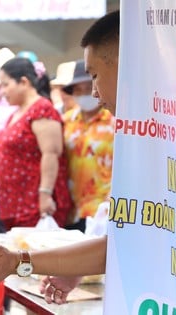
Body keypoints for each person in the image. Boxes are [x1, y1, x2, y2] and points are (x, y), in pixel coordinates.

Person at [0, 9, 120, 305]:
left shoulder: (134, 131)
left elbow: (50, 155)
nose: (94, 92)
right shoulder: (81, 119)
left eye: (95, 76)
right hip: (90, 216)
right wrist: (67, 269)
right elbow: (118, 246)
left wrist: (44, 193)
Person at [0, 57, 72, 229]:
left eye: (6, 85)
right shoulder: (16, 114)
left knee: (33, 254)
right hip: (14, 205)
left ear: (24, 82)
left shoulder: (42, 109)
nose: (2, 91)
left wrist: (45, 194)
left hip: (34, 204)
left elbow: (51, 153)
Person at [62, 59, 115, 232]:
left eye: (88, 88)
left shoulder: (114, 122)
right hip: (70, 209)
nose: (85, 94)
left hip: (101, 207)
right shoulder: (66, 121)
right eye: (79, 90)